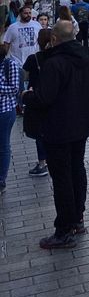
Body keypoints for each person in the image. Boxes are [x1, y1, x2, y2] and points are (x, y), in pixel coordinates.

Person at [22, 20, 89, 248]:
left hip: (58, 128)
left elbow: (44, 98)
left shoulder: (54, 63)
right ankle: (78, 218)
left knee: (62, 178)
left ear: (54, 39)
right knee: (77, 169)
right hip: (82, 126)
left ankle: (64, 229)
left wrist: (27, 96)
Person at [22, 27, 52, 177]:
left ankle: (42, 163)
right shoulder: (56, 57)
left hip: (37, 98)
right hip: (53, 99)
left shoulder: (33, 58)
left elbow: (25, 77)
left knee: (40, 132)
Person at [0, 39, 21, 193]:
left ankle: (1, 179)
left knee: (3, 145)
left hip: (5, 111)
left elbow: (14, 89)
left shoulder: (10, 65)